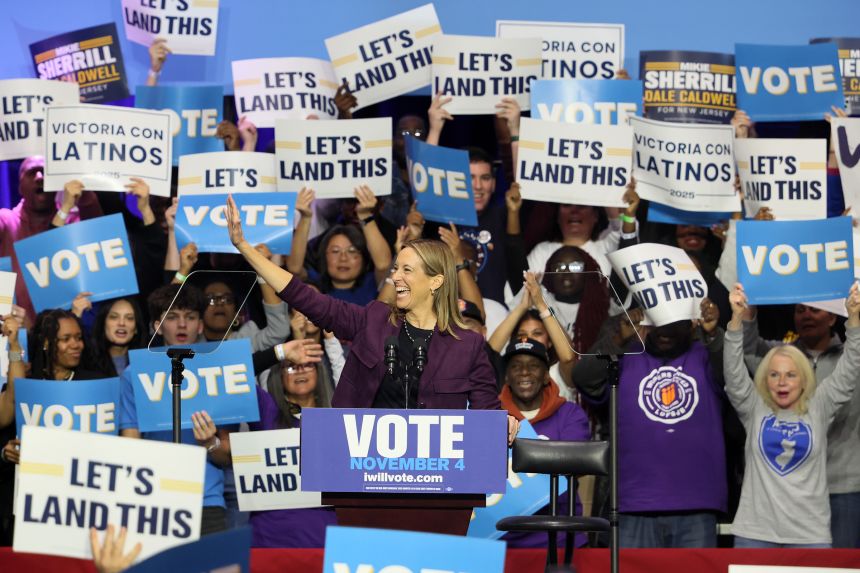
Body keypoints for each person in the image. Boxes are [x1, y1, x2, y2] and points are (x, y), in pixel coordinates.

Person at [225, 195, 518, 441]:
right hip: (365, 478)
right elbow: (305, 297)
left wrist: (504, 426)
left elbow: (487, 416)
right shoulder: (375, 320)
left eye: (406, 270)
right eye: (396, 268)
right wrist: (244, 247)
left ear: (436, 281)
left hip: (436, 486)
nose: (395, 277)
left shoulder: (467, 345)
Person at [571, 299, 727, 548]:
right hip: (633, 504)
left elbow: (734, 377)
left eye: (673, 324)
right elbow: (583, 377)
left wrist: (714, 336)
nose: (665, 331)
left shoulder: (705, 355)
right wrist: (617, 341)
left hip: (697, 504)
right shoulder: (625, 356)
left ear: (690, 323)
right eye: (657, 323)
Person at [725, 283, 860, 548]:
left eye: (791, 374)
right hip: (755, 534)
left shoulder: (819, 406)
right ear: (765, 378)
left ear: (804, 379)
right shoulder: (754, 409)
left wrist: (854, 318)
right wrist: (735, 320)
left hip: (810, 536)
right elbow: (734, 373)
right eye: (774, 374)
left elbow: (849, 368)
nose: (782, 382)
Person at [119, 283, 232, 535]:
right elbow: (130, 447)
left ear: (200, 325)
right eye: (172, 317)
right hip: (154, 500)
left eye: (190, 317)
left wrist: (210, 443)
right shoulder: (134, 374)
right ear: (157, 325)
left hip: (207, 501)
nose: (182, 325)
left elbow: (228, 456)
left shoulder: (220, 371)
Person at [499, 337, 590, 548]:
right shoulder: (490, 416)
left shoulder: (570, 414)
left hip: (561, 537)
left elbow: (577, 463)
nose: (524, 372)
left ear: (547, 375)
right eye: (516, 366)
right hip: (503, 540)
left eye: (533, 366)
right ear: (506, 376)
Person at [248, 341, 337, 548]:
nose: (299, 371)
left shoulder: (337, 420)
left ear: (319, 371)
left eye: (307, 365)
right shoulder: (267, 411)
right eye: (291, 366)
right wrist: (279, 352)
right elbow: (235, 372)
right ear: (278, 377)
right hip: (270, 539)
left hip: (323, 540)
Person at [0, 157, 102, 320]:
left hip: (65, 334)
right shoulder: (6, 220)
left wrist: (84, 193)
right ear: (20, 186)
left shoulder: (72, 222)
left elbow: (100, 232)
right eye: (32, 173)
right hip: (13, 332)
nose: (40, 177)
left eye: (46, 172)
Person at [88, 298, 147, 377]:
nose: (121, 323)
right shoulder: (86, 362)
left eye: (129, 318)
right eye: (114, 317)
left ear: (136, 328)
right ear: (103, 323)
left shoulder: (148, 361)